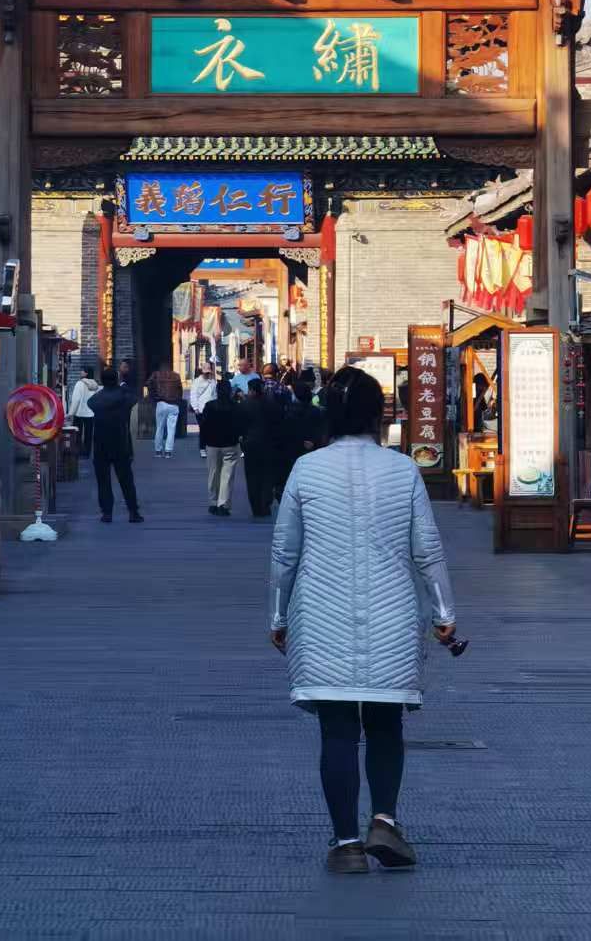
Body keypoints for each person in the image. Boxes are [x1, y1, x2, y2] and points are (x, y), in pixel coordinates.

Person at [269, 367, 455, 875]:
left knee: (337, 730)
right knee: (385, 722)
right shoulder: (403, 470)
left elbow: (285, 553)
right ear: (379, 415)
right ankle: (384, 821)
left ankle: (347, 843)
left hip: (319, 612)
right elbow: (427, 549)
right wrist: (445, 613)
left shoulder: (306, 469)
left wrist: (278, 615)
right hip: (393, 611)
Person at [88, 367, 144, 524]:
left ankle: (107, 512)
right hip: (120, 441)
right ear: (117, 380)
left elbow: (90, 403)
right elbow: (134, 398)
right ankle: (133, 512)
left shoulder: (96, 400)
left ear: (102, 381)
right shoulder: (124, 397)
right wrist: (122, 387)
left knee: (103, 481)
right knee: (126, 480)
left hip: (100, 443)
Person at [199, 377, 245, 516]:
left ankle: (213, 502)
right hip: (230, 444)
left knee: (213, 474)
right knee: (227, 475)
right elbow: (239, 426)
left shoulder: (210, 406)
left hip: (212, 444)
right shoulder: (235, 406)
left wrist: (202, 444)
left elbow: (204, 426)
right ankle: (223, 504)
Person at [241, 376, 280, 518]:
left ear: (251, 390)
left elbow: (240, 425)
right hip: (268, 443)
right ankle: (265, 503)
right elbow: (278, 422)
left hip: (250, 444)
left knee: (252, 476)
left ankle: (256, 507)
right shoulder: (271, 404)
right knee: (267, 475)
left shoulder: (245, 404)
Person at [148, 363, 184, 457]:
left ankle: (158, 451)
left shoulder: (156, 374)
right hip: (173, 404)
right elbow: (180, 390)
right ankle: (168, 451)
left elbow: (149, 384)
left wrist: (153, 397)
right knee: (171, 429)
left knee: (159, 428)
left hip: (161, 403)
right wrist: (178, 400)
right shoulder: (176, 376)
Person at [67, 366, 101, 457]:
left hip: (79, 413)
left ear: (86, 373)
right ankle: (87, 452)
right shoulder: (95, 384)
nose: (80, 372)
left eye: (82, 371)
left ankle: (78, 450)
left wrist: (71, 413)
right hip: (90, 413)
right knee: (88, 434)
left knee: (77, 433)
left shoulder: (79, 384)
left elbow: (76, 400)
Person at [189, 362, 218, 457]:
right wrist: (195, 408)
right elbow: (193, 395)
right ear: (202, 371)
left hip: (211, 409)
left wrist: (216, 406)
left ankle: (210, 447)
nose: (207, 374)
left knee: (212, 429)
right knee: (203, 429)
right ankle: (202, 448)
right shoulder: (197, 381)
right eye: (205, 372)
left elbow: (214, 395)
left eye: (208, 372)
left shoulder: (213, 382)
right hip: (200, 409)